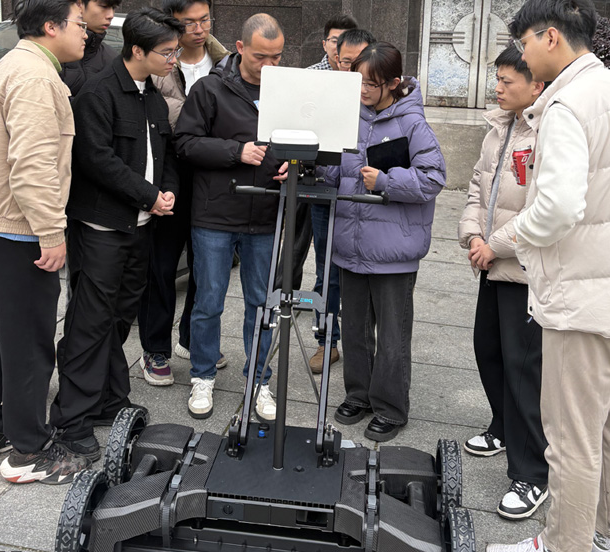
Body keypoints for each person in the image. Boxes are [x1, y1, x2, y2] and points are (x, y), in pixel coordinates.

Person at [485, 1, 610, 552]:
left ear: (550, 37)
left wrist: (512, 237)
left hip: (586, 294)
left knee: (571, 434)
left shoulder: (566, 104)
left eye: (524, 43)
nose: (522, 55)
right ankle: (609, 544)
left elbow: (558, 207)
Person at [0, 0, 90, 484]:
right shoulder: (35, 77)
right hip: (14, 227)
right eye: (79, 24)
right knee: (27, 343)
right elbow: (32, 164)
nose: (86, 33)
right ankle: (29, 452)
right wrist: (51, 232)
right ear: (51, 26)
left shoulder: (12, 63)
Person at [49, 7, 181, 459]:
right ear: (138, 51)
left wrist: (166, 192)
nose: (174, 60)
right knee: (90, 323)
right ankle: (71, 420)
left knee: (121, 315)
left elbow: (166, 156)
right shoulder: (99, 93)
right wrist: (149, 195)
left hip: (140, 226)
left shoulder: (153, 98)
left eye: (175, 51)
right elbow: (96, 160)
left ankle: (108, 399)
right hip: (101, 228)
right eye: (167, 52)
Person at [326, 41, 446, 442]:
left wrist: (387, 181)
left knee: (393, 335)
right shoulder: (348, 117)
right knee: (354, 328)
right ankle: (358, 395)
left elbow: (433, 178)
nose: (362, 90)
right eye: (358, 81)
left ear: (393, 83)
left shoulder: (412, 124)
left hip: (394, 249)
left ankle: (391, 408)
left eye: (371, 84)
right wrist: (310, 165)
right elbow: (337, 170)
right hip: (351, 243)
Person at [174, 14, 287, 421]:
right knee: (208, 301)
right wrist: (235, 151)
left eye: (277, 57)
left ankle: (259, 380)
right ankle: (202, 375)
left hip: (266, 212)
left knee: (261, 304)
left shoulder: (288, 90)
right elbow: (184, 144)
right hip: (215, 213)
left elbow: (309, 139)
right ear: (240, 48)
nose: (269, 65)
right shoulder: (210, 89)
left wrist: (297, 164)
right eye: (260, 57)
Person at [458, 45, 547, 520]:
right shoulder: (499, 128)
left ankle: (533, 474)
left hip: (523, 270)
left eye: (507, 81)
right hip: (491, 262)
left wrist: (496, 245)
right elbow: (477, 186)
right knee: (487, 350)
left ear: (536, 85)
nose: (497, 88)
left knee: (523, 368)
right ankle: (502, 425)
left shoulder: (547, 131)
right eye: (497, 79)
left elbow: (544, 210)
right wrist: (473, 235)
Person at [137, 0, 231, 387]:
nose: (198, 28)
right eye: (188, 22)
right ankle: (155, 348)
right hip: (168, 173)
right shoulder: (157, 66)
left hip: (214, 176)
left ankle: (193, 339)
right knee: (161, 265)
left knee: (206, 265)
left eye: (204, 19)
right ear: (173, 24)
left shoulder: (227, 64)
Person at [302, 26, 376, 375]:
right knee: (327, 271)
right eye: (346, 61)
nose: (353, 69)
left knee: (367, 275)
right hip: (326, 193)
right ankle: (326, 341)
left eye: (360, 62)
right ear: (334, 57)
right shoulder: (321, 90)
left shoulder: (380, 96)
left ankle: (366, 345)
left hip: (365, 197)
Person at [60, 0, 121, 95]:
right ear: (79, 4)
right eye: (104, 6)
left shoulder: (113, 60)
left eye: (113, 8)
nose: (111, 15)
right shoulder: (52, 50)